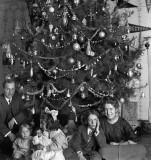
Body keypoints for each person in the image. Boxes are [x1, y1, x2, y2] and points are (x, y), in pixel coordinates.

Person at [0, 78, 32, 155]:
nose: (10, 92)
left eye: (12, 89)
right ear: (3, 89)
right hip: (3, 131)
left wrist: (14, 119)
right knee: (7, 150)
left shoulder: (17, 97)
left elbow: (24, 112)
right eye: (8, 89)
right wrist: (9, 134)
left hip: (17, 129)